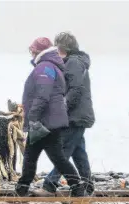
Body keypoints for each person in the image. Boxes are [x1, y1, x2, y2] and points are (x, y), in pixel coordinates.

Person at [15, 37, 88, 197]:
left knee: (39, 156)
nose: (31, 53)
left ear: (39, 51)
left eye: (32, 50)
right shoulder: (49, 66)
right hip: (49, 121)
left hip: (44, 123)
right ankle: (76, 186)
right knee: (47, 156)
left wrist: (32, 117)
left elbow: (43, 96)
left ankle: (22, 188)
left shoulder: (45, 67)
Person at [30, 32, 95, 197]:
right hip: (78, 116)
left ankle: (49, 186)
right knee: (78, 152)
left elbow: (76, 89)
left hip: (75, 116)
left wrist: (62, 108)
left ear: (62, 48)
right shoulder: (71, 62)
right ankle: (87, 186)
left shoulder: (74, 63)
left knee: (63, 151)